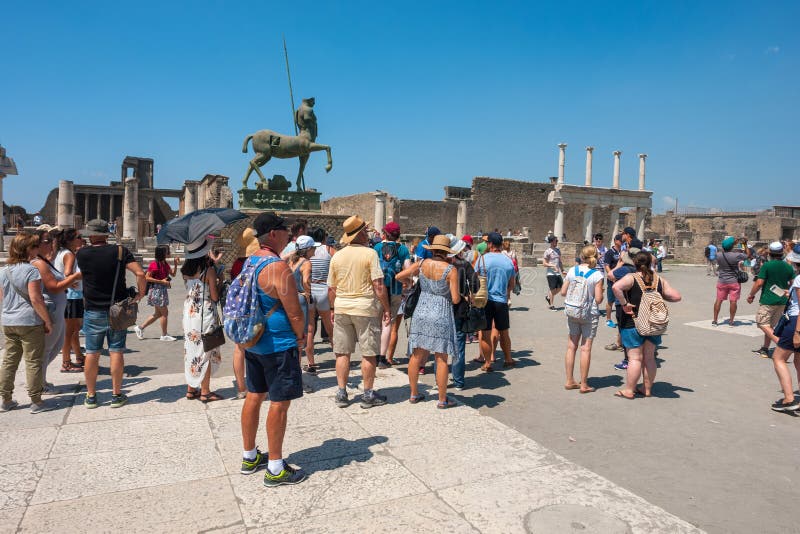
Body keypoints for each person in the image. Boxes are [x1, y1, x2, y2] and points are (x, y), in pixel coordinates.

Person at [239, 212, 308, 486]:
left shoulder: (251, 261)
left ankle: (249, 456)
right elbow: (294, 312)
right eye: (284, 231)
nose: (288, 236)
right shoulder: (278, 267)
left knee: (254, 395)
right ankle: (276, 468)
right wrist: (301, 338)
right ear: (273, 235)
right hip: (278, 343)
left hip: (254, 340)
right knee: (279, 402)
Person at [76, 219, 146, 409]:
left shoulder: (81, 254)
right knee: (116, 351)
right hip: (117, 310)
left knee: (92, 353)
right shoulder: (120, 251)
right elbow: (140, 274)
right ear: (107, 234)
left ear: (90, 235)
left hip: (92, 310)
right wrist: (140, 294)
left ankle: (91, 396)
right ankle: (116, 395)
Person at [327, 215, 391, 408]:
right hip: (365, 308)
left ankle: (341, 392)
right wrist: (387, 308)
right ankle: (368, 394)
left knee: (342, 353)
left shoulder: (337, 256)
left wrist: (333, 307)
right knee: (369, 353)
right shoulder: (369, 254)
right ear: (361, 233)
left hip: (342, 307)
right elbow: (378, 285)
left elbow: (331, 288)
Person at [396, 235, 461, 407]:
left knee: (416, 355)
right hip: (441, 313)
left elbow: (398, 277)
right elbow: (455, 299)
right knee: (441, 357)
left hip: (421, 311)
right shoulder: (451, 270)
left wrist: (409, 283)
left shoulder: (422, 264)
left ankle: (413, 394)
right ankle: (441, 399)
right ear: (446, 252)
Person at [612, 251, 682, 399]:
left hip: (633, 322)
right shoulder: (659, 280)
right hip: (653, 324)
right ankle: (647, 388)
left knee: (635, 358)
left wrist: (625, 304)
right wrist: (658, 297)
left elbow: (616, 287)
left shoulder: (631, 278)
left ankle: (629, 390)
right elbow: (676, 296)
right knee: (649, 358)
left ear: (634, 263)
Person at [0, 233, 55, 413]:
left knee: (9, 360)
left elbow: (2, 297)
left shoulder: (4, 270)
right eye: (35, 246)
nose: (38, 249)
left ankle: (6, 399)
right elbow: (36, 298)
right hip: (29, 321)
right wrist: (47, 321)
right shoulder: (31, 270)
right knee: (33, 361)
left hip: (9, 320)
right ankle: (36, 400)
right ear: (28, 249)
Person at [31, 229, 82, 392]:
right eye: (47, 241)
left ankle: (40, 381)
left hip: (57, 309)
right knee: (47, 348)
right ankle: (39, 385)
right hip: (51, 311)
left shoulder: (46, 260)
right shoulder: (40, 263)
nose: (51, 242)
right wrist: (74, 278)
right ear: (37, 245)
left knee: (55, 345)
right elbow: (53, 287)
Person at [180, 239, 223, 402]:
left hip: (189, 312)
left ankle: (191, 389)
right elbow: (214, 296)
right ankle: (205, 391)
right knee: (206, 350)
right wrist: (218, 280)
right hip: (204, 313)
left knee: (191, 350)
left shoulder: (184, 270)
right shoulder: (208, 271)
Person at [561, 245, 604, 393]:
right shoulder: (597, 275)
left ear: (582, 256)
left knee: (571, 346)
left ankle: (569, 380)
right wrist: (601, 292)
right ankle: (584, 384)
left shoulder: (573, 270)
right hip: (588, 314)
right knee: (585, 348)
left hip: (572, 311)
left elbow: (563, 292)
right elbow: (598, 299)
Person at [475, 232, 516, 371]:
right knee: (504, 332)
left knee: (485, 333)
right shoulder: (508, 261)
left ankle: (487, 363)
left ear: (490, 244)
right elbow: (512, 284)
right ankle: (508, 359)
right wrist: (505, 293)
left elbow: (475, 280)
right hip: (501, 301)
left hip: (485, 301)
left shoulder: (482, 259)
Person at [747, 242, 795, 357]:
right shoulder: (788, 266)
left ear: (770, 253)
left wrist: (751, 295)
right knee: (770, 326)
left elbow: (759, 283)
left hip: (768, 300)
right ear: (781, 253)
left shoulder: (767, 266)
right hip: (782, 301)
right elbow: (793, 283)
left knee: (762, 322)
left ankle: (780, 343)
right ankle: (765, 348)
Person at [374, 222, 411, 368]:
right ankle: (383, 358)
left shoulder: (376, 248)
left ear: (386, 233)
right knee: (388, 322)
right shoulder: (402, 249)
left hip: (378, 288)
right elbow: (408, 269)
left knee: (377, 322)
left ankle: (376, 355)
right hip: (395, 290)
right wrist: (406, 282)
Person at [229, 228, 260, 399]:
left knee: (239, 348)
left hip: (237, 308)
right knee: (256, 346)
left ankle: (241, 387)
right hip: (253, 307)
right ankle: (258, 383)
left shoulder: (236, 264)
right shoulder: (255, 263)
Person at [768, 248, 800, 411]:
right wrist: (792, 294)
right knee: (798, 359)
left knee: (778, 358)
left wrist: (797, 332)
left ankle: (789, 399)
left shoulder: (799, 278)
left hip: (796, 322)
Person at [447, 237, 478, 389]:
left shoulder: (438, 264)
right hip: (459, 308)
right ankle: (458, 381)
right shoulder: (464, 265)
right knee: (459, 345)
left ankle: (440, 380)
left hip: (441, 308)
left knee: (441, 348)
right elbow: (476, 284)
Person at [606, 240, 642, 369]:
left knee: (624, 331)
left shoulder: (625, 269)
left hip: (623, 304)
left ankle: (628, 360)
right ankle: (635, 357)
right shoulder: (641, 269)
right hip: (637, 303)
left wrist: (619, 264)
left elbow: (610, 275)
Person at [54, 228, 85, 372]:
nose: (81, 239)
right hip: (72, 296)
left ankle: (79, 356)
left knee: (74, 330)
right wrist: (77, 277)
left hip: (69, 295)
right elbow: (67, 273)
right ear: (70, 240)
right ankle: (66, 362)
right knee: (69, 331)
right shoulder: (69, 255)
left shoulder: (61, 253)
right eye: (79, 237)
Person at [135, 245, 179, 341]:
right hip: (156, 291)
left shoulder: (165, 264)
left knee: (158, 314)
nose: (169, 253)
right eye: (167, 252)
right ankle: (164, 335)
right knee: (165, 313)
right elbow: (147, 277)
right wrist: (161, 281)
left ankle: (140, 328)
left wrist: (175, 264)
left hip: (162, 291)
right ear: (162, 253)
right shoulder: (154, 264)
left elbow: (173, 274)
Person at [306, 227, 336, 371]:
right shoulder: (329, 250)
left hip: (311, 289)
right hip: (325, 288)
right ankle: (339, 358)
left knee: (310, 329)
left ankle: (310, 363)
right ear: (323, 237)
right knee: (330, 328)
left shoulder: (308, 250)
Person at [287, 235, 316, 361]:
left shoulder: (292, 262)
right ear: (308, 249)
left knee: (293, 336)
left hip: (291, 298)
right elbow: (305, 280)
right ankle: (298, 372)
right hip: (301, 299)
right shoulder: (306, 263)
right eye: (313, 248)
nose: (315, 250)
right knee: (301, 336)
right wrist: (308, 294)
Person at [713, 236, 752, 327]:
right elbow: (748, 255)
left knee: (719, 300)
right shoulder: (736, 255)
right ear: (732, 246)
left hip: (722, 281)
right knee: (733, 301)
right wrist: (744, 244)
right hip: (734, 281)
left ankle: (715, 320)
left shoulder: (718, 255)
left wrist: (733, 242)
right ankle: (731, 321)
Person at [603, 234, 623, 327]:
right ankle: (608, 319)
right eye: (619, 240)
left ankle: (621, 320)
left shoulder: (623, 252)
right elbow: (606, 265)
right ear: (615, 241)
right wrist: (611, 276)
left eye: (622, 240)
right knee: (610, 301)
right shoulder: (610, 252)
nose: (621, 241)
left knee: (621, 300)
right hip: (612, 280)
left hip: (621, 280)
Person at [543, 235, 566, 310]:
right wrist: (552, 266)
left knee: (561, 287)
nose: (557, 242)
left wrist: (562, 270)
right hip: (550, 274)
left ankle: (548, 297)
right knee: (552, 289)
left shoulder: (558, 250)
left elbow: (560, 262)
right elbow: (544, 263)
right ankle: (551, 305)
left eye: (557, 241)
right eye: (556, 241)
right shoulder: (548, 251)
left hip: (557, 273)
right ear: (552, 241)